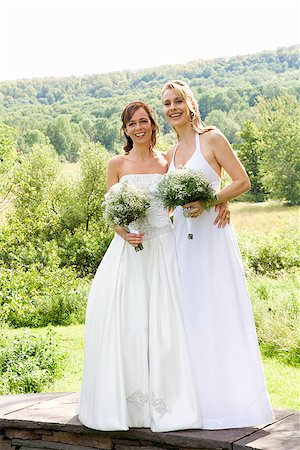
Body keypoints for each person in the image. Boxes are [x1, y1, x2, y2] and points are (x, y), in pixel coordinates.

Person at [78, 101, 201, 432]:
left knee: (166, 322)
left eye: (144, 121)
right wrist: (125, 233)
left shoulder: (167, 161)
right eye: (132, 124)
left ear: (152, 125)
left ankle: (170, 399)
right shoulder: (116, 163)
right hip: (130, 250)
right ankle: (128, 404)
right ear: (126, 129)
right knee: (129, 321)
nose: (139, 127)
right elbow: (111, 213)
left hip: (164, 247)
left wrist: (219, 205)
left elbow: (186, 194)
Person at [162, 80, 274, 429]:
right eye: (166, 103)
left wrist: (215, 199)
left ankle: (231, 402)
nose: (172, 108)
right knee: (187, 315)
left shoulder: (211, 138)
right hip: (181, 240)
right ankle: (194, 403)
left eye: (178, 100)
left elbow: (242, 180)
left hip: (213, 238)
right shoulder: (170, 152)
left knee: (219, 310)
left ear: (191, 103)